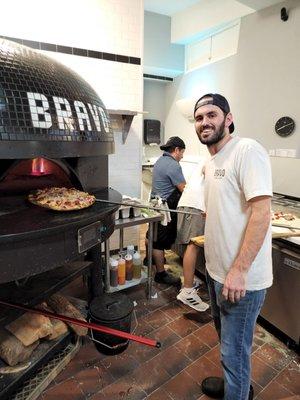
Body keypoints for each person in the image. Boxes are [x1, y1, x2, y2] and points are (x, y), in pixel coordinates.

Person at [193, 93, 272, 400]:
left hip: (241, 279)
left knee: (235, 352)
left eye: (211, 115)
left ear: (228, 119)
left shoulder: (246, 150)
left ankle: (236, 392)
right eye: (199, 118)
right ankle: (236, 387)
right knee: (228, 343)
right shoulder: (212, 160)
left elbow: (261, 212)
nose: (204, 123)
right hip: (217, 273)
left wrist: (238, 271)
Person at [146, 136, 186, 286]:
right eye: (182, 152)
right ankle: (160, 274)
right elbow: (183, 188)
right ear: (176, 150)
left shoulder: (160, 161)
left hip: (155, 204)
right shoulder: (173, 165)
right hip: (165, 207)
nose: (182, 156)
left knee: (151, 233)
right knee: (159, 242)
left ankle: (148, 259)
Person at [176, 160, 210, 312]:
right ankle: (188, 291)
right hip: (195, 206)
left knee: (192, 245)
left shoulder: (210, 159)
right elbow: (213, 185)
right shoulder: (212, 160)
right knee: (193, 245)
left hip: (191, 204)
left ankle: (188, 285)